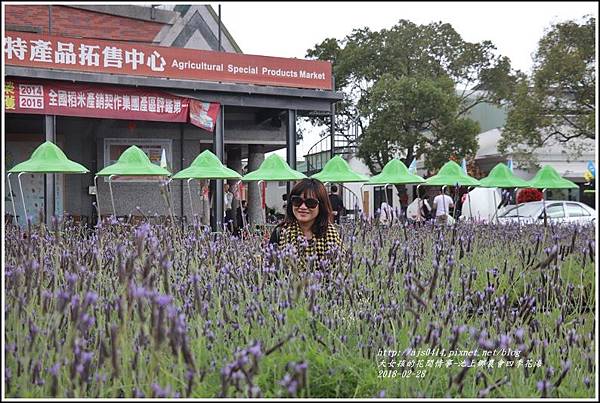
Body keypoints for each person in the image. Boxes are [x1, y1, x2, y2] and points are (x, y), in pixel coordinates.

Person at [268, 178, 342, 263]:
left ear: (321, 206)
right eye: (297, 201)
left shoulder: (331, 235)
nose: (303, 207)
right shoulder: (280, 233)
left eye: (310, 203)